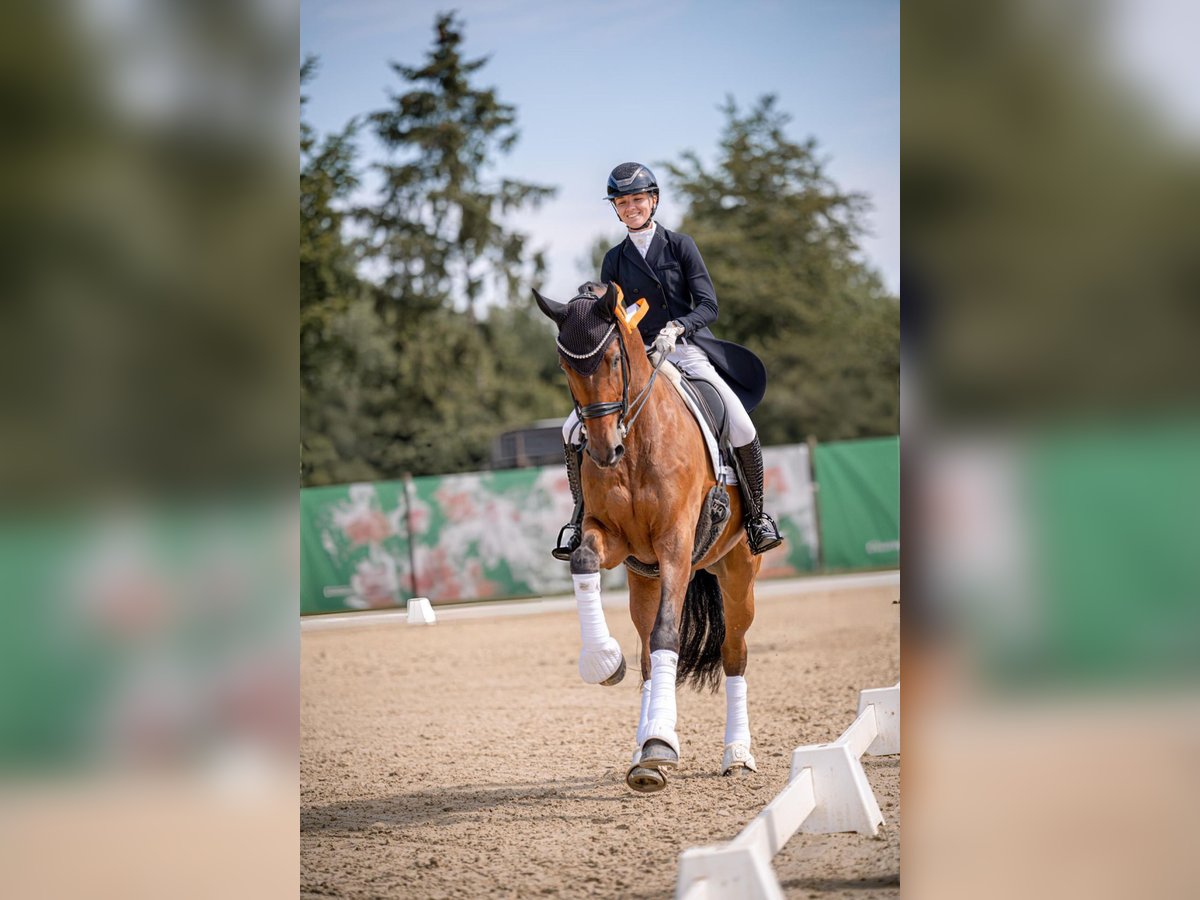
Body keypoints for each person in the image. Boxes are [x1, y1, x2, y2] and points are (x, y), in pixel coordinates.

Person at [552, 162, 784, 560]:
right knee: (570, 428)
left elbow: (708, 305)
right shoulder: (614, 258)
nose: (631, 208)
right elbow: (611, 314)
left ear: (653, 200)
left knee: (741, 424)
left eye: (637, 200)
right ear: (616, 209)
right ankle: (578, 519)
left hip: (684, 348)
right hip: (636, 357)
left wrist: (677, 327)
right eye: (622, 203)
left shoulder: (680, 245)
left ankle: (757, 518)